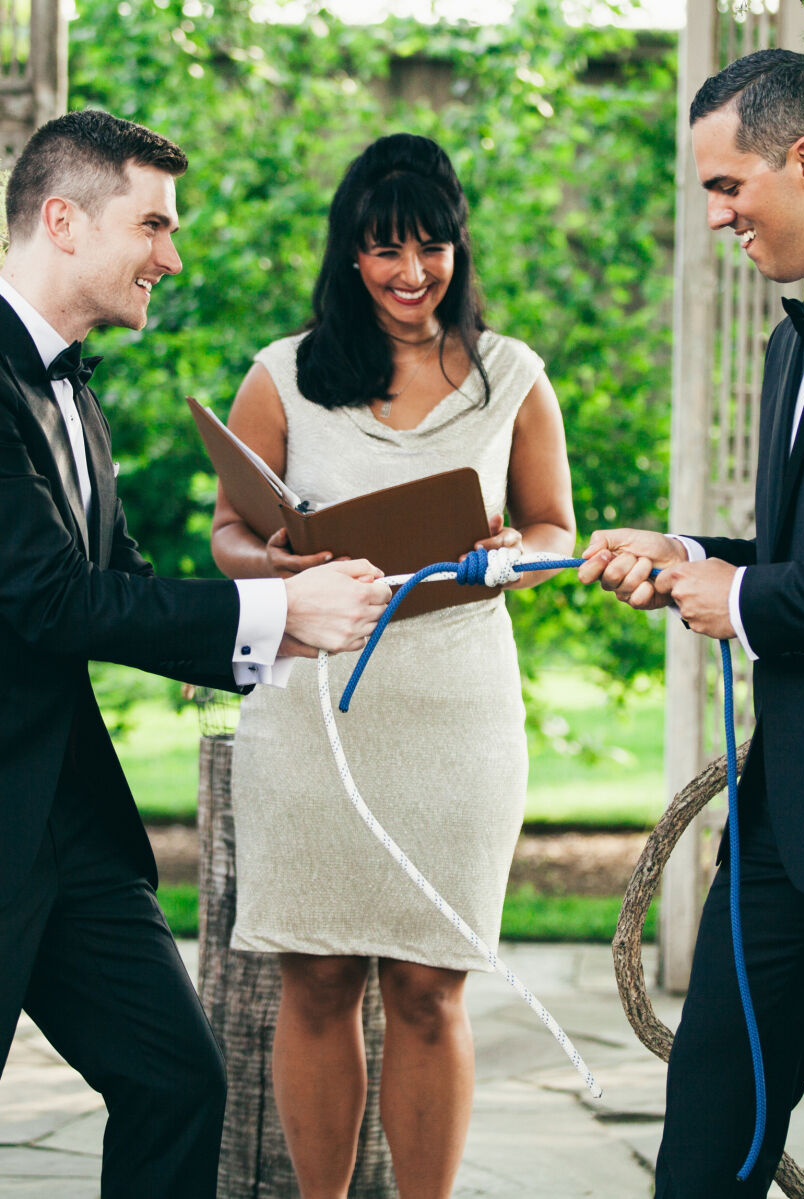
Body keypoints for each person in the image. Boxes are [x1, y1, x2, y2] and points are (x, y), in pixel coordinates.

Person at [0, 109, 391, 1199]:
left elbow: (115, 584)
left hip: (63, 817)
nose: (173, 256)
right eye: (155, 224)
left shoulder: (75, 390)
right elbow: (44, 598)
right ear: (64, 220)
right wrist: (279, 617)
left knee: (177, 1079)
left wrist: (288, 593)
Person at [211, 132, 575, 1199]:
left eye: (434, 247)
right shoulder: (282, 374)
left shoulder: (511, 376)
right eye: (386, 251)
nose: (413, 274)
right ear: (349, 254)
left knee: (429, 984)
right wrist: (272, 557)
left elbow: (555, 525)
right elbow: (232, 530)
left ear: (461, 245)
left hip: (456, 709)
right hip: (316, 710)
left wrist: (519, 555)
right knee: (315, 975)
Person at [578, 49, 804, 1198]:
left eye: (725, 185)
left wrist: (741, 601)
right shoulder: (790, 343)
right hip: (782, 819)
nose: (714, 217)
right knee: (704, 1141)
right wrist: (693, 555)